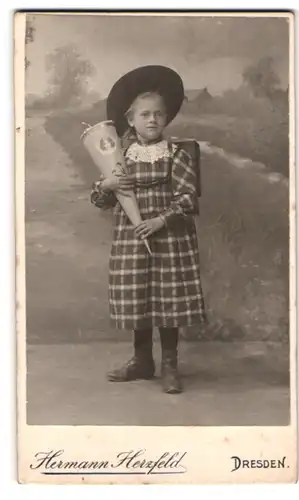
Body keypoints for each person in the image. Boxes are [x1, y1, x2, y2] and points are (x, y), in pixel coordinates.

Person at [91, 65, 206, 394]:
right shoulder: (119, 156)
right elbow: (99, 200)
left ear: (166, 118)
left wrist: (160, 219)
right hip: (131, 237)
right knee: (139, 297)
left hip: (169, 237)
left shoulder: (177, 154)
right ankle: (142, 360)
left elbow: (187, 200)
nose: (152, 120)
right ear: (131, 120)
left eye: (158, 114)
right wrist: (109, 184)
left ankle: (170, 364)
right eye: (145, 115)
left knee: (167, 300)